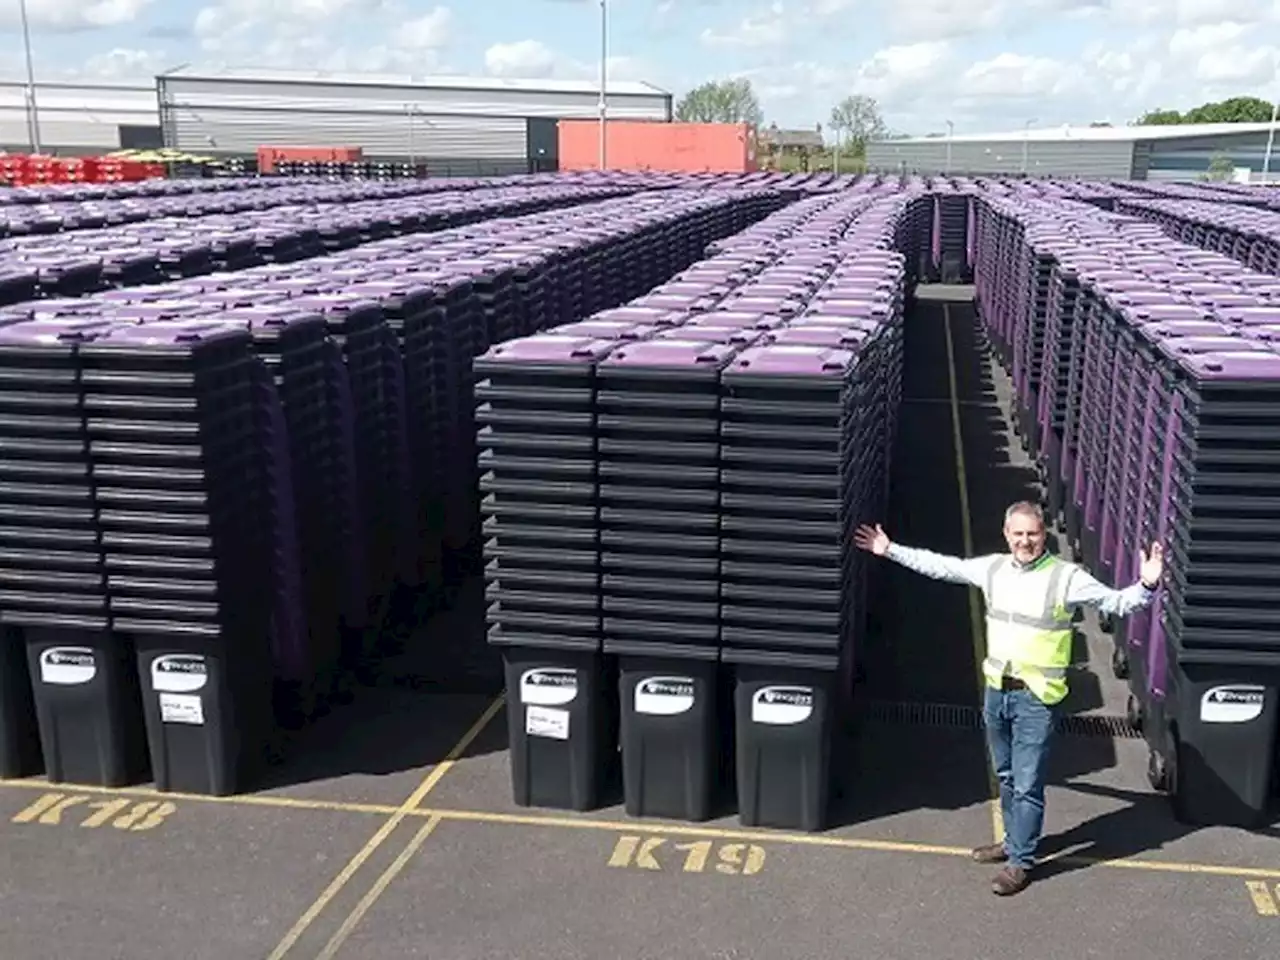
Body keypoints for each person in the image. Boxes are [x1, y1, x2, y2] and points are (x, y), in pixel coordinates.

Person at [853, 501, 1162, 896]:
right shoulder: (994, 569)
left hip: (1037, 699)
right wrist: (890, 550)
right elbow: (943, 566)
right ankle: (1013, 842)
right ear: (1006, 534)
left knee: (1028, 782)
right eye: (1018, 534)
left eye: (1032, 534)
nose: (1025, 541)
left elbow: (1119, 603)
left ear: (1043, 534)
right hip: (998, 692)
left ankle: (1021, 862)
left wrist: (1148, 585)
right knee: (1007, 776)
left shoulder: (1066, 577)